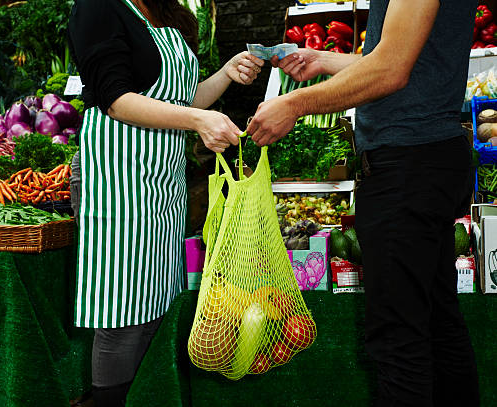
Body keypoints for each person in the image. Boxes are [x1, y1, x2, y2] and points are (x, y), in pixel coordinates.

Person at [247, 1, 479, 406]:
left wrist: (295, 104)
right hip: (426, 157)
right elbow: (402, 57)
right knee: (437, 323)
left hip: (408, 164)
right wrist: (320, 59)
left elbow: (391, 69)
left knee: (398, 338)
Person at [67, 0, 263, 405]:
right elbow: (116, 99)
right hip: (115, 178)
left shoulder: (167, 11)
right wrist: (197, 121)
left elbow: (184, 100)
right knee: (121, 314)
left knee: (155, 309)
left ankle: (148, 396)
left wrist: (225, 74)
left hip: (162, 184)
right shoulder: (98, 8)